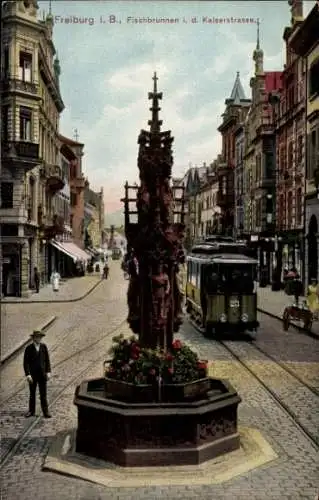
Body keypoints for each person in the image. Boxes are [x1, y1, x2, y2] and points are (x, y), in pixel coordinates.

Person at [23, 330, 52, 418]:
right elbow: (25, 363)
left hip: (42, 375)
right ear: (33, 338)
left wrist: (48, 372)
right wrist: (28, 374)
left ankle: (45, 412)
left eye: (40, 337)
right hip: (33, 376)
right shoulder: (29, 348)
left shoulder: (44, 347)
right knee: (32, 394)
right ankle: (31, 411)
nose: (38, 339)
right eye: (37, 337)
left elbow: (47, 360)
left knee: (43, 394)